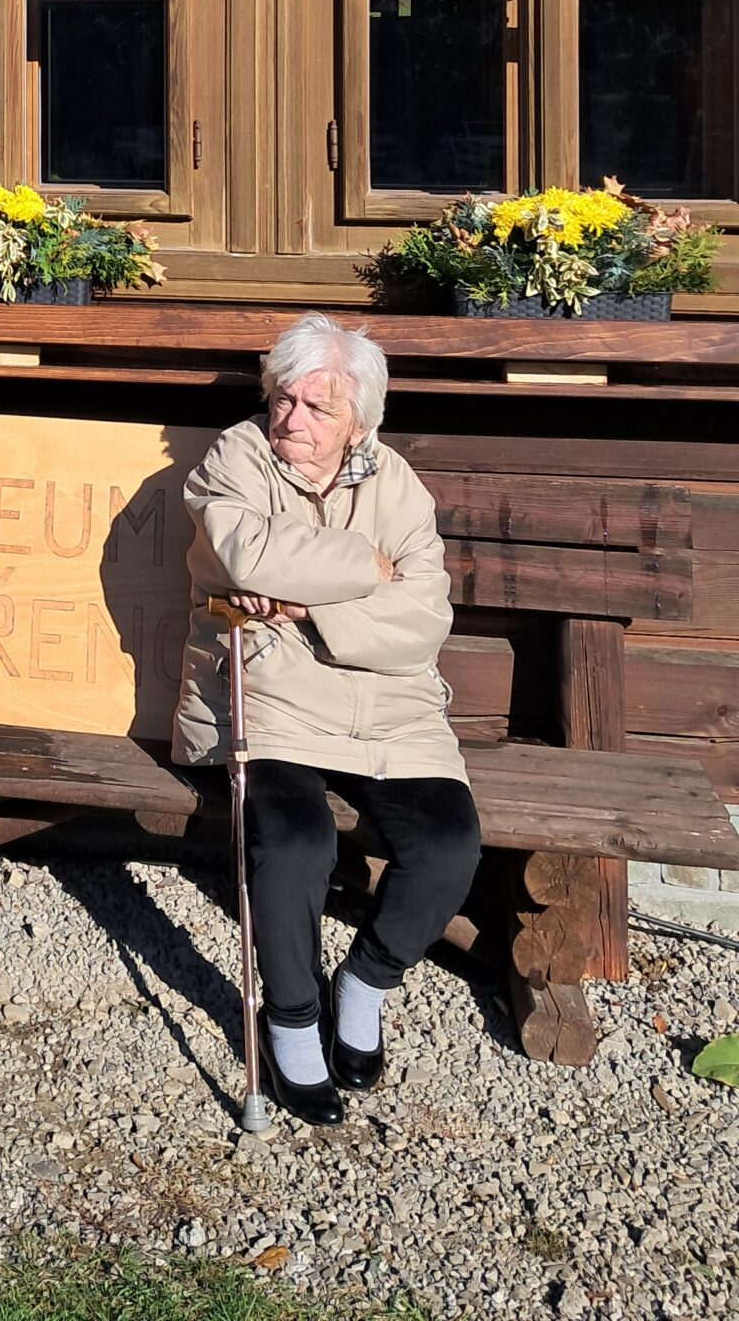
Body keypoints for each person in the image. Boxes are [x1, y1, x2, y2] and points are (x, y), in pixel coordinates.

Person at [173, 312, 481, 1125]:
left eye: (318, 407)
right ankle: (291, 1016)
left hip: (392, 703)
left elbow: (425, 617)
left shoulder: (395, 483)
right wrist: (366, 568)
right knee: (294, 843)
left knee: (448, 846)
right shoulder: (237, 457)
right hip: (268, 691)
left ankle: (366, 981)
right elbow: (244, 552)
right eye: (284, 398)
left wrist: (307, 607)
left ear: (360, 424)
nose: (291, 419)